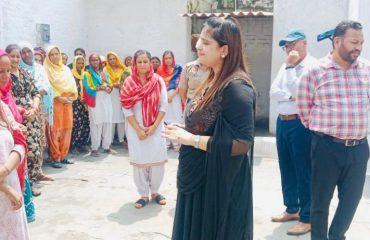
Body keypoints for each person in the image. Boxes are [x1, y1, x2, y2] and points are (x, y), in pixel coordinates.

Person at [163, 17, 255, 240]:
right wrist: (187, 129)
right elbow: (212, 125)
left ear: (224, 50)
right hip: (200, 179)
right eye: (199, 40)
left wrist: (191, 139)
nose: (198, 46)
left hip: (216, 187)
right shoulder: (214, 77)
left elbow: (242, 144)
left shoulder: (237, 87)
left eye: (205, 42)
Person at [297, 20, 370, 240]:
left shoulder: (366, 69)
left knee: (351, 200)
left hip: (359, 148)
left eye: (361, 42)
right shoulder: (315, 72)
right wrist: (324, 130)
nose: (358, 46)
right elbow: (303, 107)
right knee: (321, 201)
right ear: (337, 41)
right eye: (353, 42)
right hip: (326, 147)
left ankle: (337, 236)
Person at [269, 29, 317, 236]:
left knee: (303, 169)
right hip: (283, 122)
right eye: (286, 46)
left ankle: (308, 217)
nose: (288, 49)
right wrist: (290, 96)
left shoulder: (312, 66)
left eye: (292, 44)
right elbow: (273, 92)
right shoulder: (285, 65)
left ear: (304, 44)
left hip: (301, 124)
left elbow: (301, 92)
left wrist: (290, 69)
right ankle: (292, 208)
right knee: (286, 166)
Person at [120, 49, 168, 209]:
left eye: (145, 61)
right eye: (139, 62)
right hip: (136, 129)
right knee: (140, 162)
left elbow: (163, 105)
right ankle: (143, 195)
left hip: (156, 127)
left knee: (157, 162)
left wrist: (154, 127)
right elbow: (126, 108)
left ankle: (155, 192)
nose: (142, 64)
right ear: (134, 63)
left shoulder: (158, 81)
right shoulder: (129, 83)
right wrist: (138, 130)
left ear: (150, 63)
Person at [8, 44, 53, 197]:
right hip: (15, 116)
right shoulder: (5, 75)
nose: (15, 59)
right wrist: (22, 111)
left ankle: (31, 182)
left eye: (17, 56)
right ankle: (20, 184)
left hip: (31, 115)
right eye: (12, 56)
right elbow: (6, 97)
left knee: (33, 149)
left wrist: (33, 109)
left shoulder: (26, 73)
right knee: (19, 152)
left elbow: (36, 93)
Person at [2, 47, 36, 222]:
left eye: (8, 71)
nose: (6, 75)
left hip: (12, 162)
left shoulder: (5, 95)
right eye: (1, 71)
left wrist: (17, 120)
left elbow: (12, 108)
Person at [0, 49, 29, 239]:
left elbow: (20, 143)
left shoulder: (4, 103)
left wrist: (3, 173)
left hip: (8, 179)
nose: (4, 76)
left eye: (7, 70)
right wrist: (6, 188)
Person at [44, 46, 78, 168]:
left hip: (68, 102)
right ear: (48, 57)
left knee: (67, 128)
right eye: (51, 54)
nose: (55, 56)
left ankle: (63, 155)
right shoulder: (46, 69)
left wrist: (72, 96)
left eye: (56, 53)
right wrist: (58, 97)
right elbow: (47, 86)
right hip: (55, 101)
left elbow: (73, 84)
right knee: (55, 129)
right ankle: (55, 157)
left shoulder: (65, 69)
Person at [83, 54, 113, 157]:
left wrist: (109, 88)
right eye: (93, 60)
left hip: (106, 100)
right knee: (96, 123)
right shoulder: (87, 74)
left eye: (97, 60)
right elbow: (88, 88)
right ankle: (94, 148)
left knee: (107, 122)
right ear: (90, 62)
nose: (95, 62)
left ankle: (106, 146)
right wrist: (101, 88)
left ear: (100, 62)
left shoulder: (104, 73)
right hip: (95, 101)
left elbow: (110, 83)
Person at [157, 50, 183, 151]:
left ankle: (176, 143)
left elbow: (181, 84)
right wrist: (164, 96)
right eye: (166, 58)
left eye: (170, 58)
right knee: (165, 118)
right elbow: (158, 84)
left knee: (176, 118)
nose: (168, 60)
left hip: (175, 96)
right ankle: (167, 142)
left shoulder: (178, 69)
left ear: (173, 58)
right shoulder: (160, 70)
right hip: (163, 95)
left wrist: (172, 96)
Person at [104, 51, 126, 145]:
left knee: (121, 116)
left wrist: (121, 84)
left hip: (121, 94)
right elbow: (104, 81)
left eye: (114, 59)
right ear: (108, 60)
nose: (112, 61)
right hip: (110, 94)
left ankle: (121, 139)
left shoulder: (123, 69)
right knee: (111, 116)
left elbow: (127, 80)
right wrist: (113, 84)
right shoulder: (105, 69)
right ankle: (110, 140)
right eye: (110, 59)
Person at [70, 56, 90, 154]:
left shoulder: (85, 74)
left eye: (82, 63)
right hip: (75, 103)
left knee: (85, 123)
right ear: (74, 63)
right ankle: (74, 145)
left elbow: (88, 87)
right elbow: (70, 88)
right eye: (79, 63)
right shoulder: (70, 74)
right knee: (76, 124)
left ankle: (83, 144)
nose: (81, 65)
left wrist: (86, 98)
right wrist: (79, 98)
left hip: (85, 103)